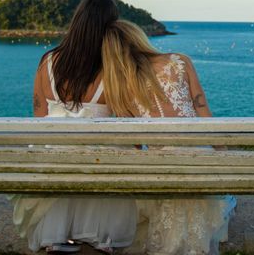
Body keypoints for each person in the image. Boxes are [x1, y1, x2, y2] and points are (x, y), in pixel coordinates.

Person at [11, 0, 137, 254]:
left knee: (57, 151)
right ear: (111, 28)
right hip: (98, 164)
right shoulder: (113, 68)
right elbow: (130, 123)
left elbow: (39, 118)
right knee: (109, 155)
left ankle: (58, 233)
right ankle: (97, 234)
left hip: (55, 159)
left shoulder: (47, 62)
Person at [101, 20, 236, 255]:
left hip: (159, 164)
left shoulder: (118, 86)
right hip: (199, 156)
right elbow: (203, 111)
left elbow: (134, 142)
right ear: (139, 36)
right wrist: (222, 153)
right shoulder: (179, 61)